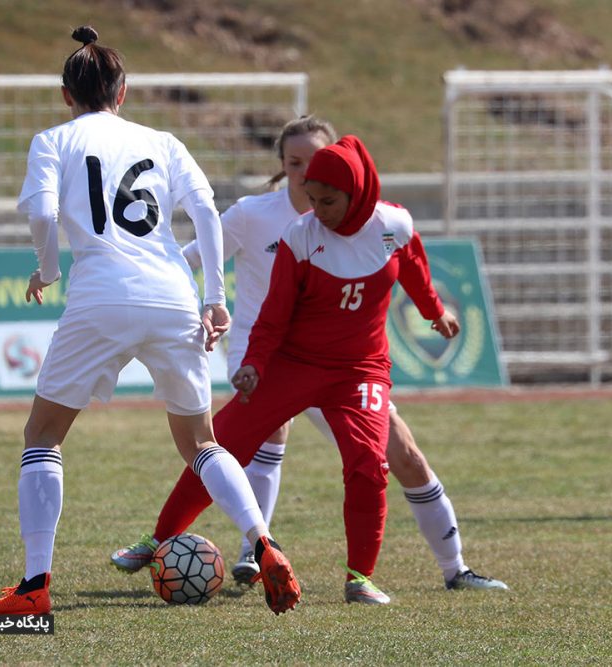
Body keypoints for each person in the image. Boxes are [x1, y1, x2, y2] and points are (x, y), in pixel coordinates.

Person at [110, 116, 508, 595]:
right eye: (295, 166)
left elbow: (414, 264)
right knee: (220, 446)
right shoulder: (281, 225)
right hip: (286, 362)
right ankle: (184, 542)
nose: (310, 192)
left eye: (321, 183)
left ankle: (422, 572)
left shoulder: (392, 224)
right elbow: (270, 309)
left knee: (387, 460)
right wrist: (250, 357)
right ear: (283, 166)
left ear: (351, 183)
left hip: (358, 370)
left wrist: (434, 311)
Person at [0, 26, 300, 615]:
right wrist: (214, 295)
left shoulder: (53, 140)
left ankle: (33, 587)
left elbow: (44, 214)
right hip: (172, 293)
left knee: (43, 436)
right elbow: (205, 208)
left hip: (101, 294)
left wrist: (46, 270)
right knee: (201, 442)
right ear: (122, 92)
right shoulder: (163, 141)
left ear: (65, 94)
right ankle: (265, 542)